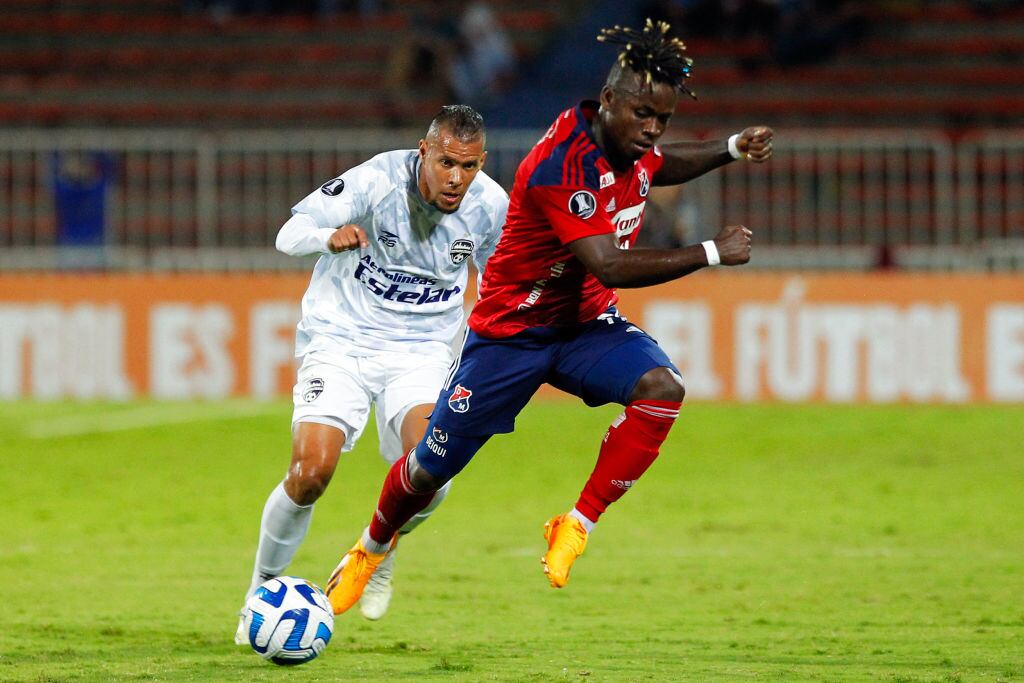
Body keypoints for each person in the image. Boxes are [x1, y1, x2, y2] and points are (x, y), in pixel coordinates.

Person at [324, 19, 774, 614]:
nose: (652, 129)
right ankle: (370, 548)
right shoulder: (560, 165)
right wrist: (711, 252)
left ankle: (576, 523)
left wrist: (732, 149)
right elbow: (609, 265)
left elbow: (658, 166)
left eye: (661, 119)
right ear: (608, 101)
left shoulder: (628, 145)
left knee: (662, 389)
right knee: (429, 469)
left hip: (583, 326)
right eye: (643, 114)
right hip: (511, 335)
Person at [234, 104, 508, 641]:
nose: (456, 178)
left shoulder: (491, 205)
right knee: (311, 473)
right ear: (424, 151)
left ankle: (378, 549)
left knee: (433, 474)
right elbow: (289, 232)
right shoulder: (378, 178)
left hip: (423, 350)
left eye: (470, 166)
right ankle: (260, 593)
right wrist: (325, 237)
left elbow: (505, 283)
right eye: (447, 162)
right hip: (342, 338)